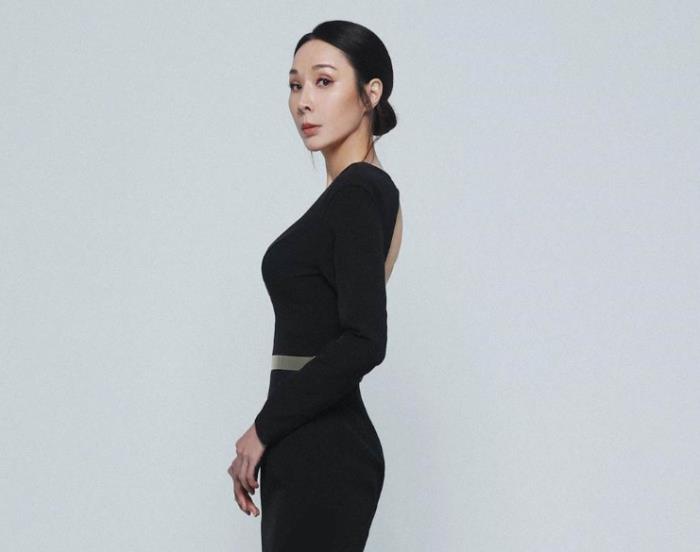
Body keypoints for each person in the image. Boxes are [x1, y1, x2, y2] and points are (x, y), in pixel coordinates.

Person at [227, 20, 403, 551]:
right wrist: (273, 430)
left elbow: (365, 339)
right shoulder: (352, 195)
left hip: (323, 449)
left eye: (324, 81)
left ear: (371, 93)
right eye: (295, 84)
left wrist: (263, 429)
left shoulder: (360, 192)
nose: (304, 100)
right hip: (305, 441)